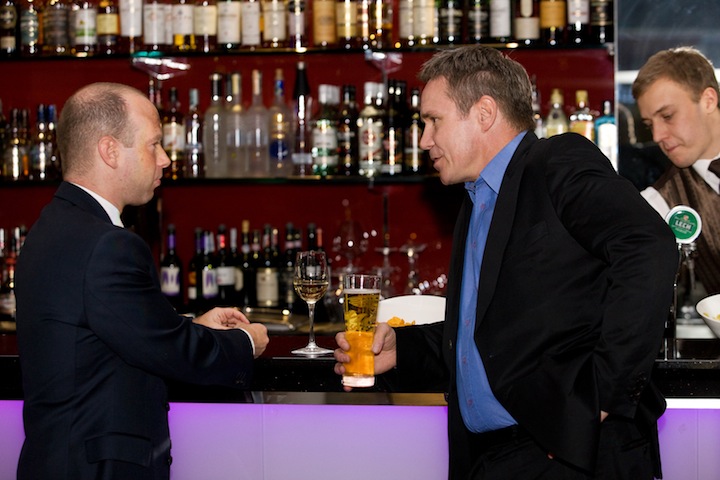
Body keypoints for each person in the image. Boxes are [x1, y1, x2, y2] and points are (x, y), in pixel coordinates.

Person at [334, 45, 678, 479]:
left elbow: (649, 246)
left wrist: (604, 395)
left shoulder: (556, 162)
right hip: (492, 457)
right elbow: (488, 334)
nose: (423, 140)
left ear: (484, 113)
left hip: (567, 455)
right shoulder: (477, 199)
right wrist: (401, 351)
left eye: (433, 120)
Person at [15, 82, 269, 480]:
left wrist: (190, 326)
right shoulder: (107, 244)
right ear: (110, 151)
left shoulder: (53, 226)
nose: (165, 159)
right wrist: (246, 341)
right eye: (154, 144)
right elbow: (173, 352)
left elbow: (117, 332)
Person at [632, 46, 720, 296]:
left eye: (667, 116)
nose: (657, 136)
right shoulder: (659, 204)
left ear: (708, 101)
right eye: (649, 124)